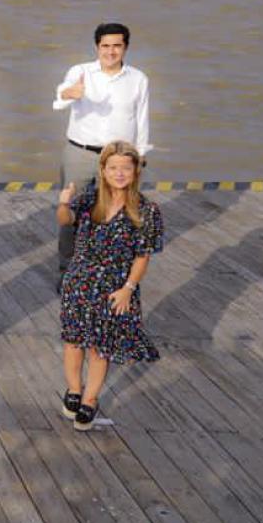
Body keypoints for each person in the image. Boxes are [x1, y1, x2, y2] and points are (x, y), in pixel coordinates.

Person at [57, 141, 162, 431]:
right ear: (102, 170)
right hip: (80, 281)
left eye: (125, 168)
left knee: (100, 348)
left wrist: (128, 288)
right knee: (73, 341)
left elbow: (143, 256)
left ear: (135, 171)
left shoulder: (147, 210)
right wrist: (64, 201)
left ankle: (90, 400)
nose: (119, 173)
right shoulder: (90, 199)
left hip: (115, 286)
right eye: (113, 167)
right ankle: (74, 390)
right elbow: (66, 221)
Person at [53, 22, 151, 276]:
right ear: (97, 47)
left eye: (117, 45)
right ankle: (68, 272)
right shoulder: (80, 71)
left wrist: (140, 157)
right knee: (71, 212)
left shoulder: (138, 79)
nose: (111, 51)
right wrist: (69, 93)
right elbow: (58, 100)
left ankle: (110, 271)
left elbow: (142, 120)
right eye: (105, 46)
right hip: (80, 154)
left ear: (125, 47)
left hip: (120, 159)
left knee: (117, 215)